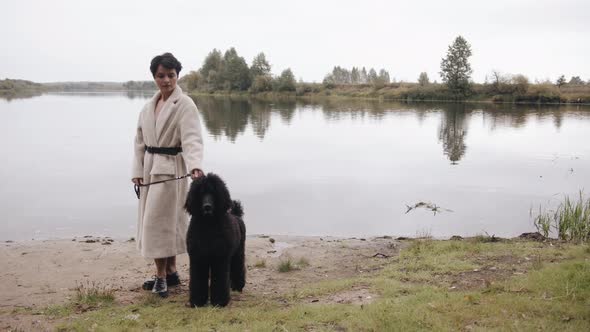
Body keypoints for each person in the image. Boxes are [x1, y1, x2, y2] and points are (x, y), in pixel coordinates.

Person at [131, 53, 204, 297]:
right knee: (164, 224)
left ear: (177, 76)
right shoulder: (147, 107)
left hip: (171, 169)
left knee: (158, 225)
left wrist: (195, 166)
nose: (166, 81)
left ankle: (161, 277)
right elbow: (139, 142)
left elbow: (192, 138)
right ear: (154, 77)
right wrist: (137, 171)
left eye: (171, 75)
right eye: (161, 76)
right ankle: (171, 272)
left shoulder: (185, 105)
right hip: (151, 169)